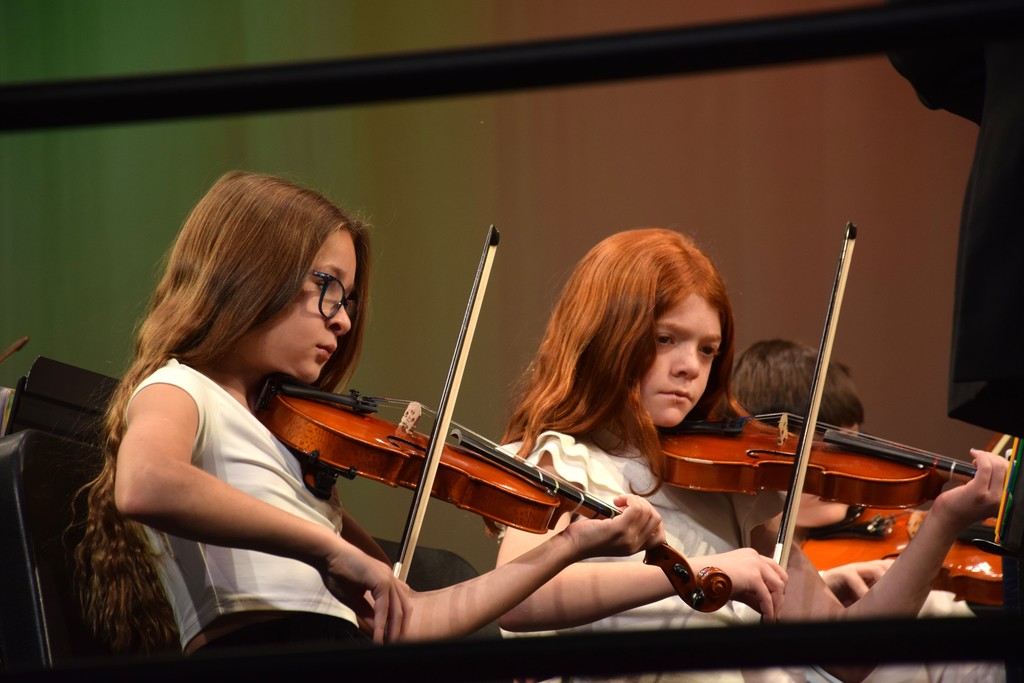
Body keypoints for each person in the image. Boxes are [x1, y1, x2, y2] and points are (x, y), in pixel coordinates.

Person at [73, 171, 669, 656]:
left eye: (349, 300)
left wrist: (568, 547)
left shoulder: (294, 457)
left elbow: (410, 619)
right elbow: (147, 483)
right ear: (253, 272)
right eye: (328, 286)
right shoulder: (180, 386)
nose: (342, 319)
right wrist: (330, 548)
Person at [495, 228, 1007, 682]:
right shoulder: (562, 461)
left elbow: (851, 656)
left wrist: (943, 522)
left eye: (707, 349)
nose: (690, 367)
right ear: (608, 337)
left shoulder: (727, 486)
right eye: (665, 339)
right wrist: (696, 573)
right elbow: (517, 600)